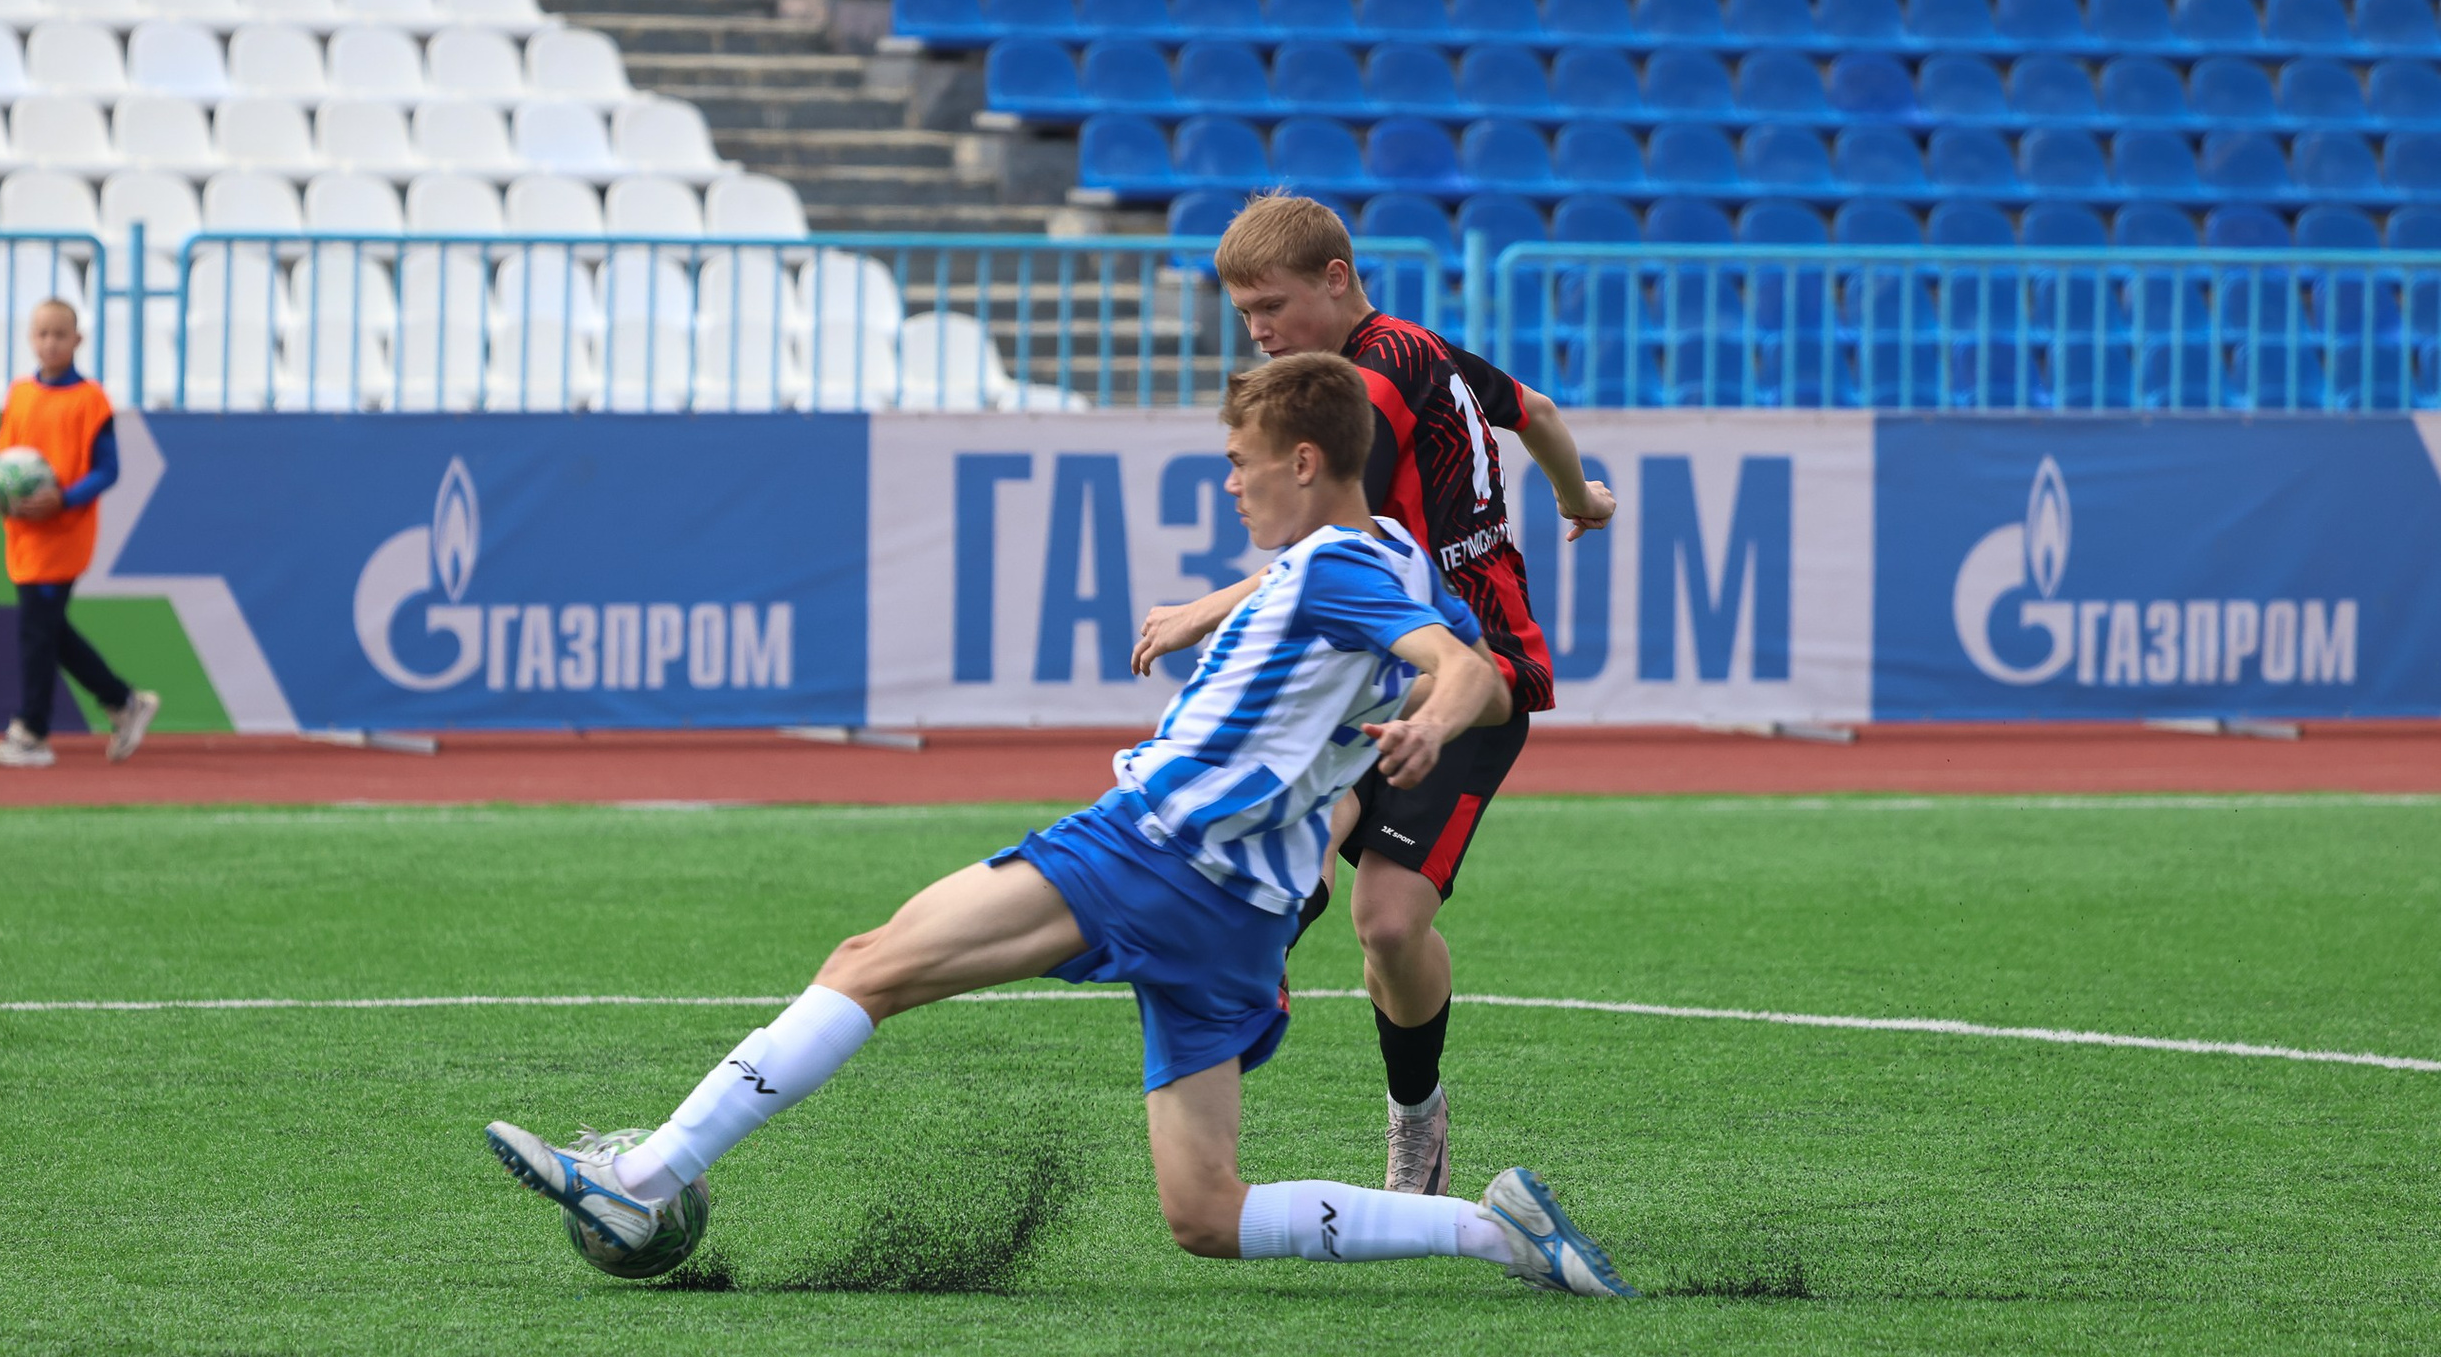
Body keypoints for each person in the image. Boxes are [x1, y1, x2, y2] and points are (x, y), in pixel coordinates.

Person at [485, 354, 1633, 1299]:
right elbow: (1480, 668)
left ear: (1302, 460)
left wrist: (1430, 714)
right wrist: (1439, 708)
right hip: (1240, 914)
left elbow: (1455, 670)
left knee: (867, 966)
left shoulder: (1339, 567)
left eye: (1238, 465)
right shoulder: (1390, 559)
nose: (1229, 486)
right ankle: (1495, 1235)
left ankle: (646, 1176)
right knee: (1205, 1213)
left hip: (1155, 853)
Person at [1131, 195, 1615, 1201]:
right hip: (1367, 672)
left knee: (1390, 925)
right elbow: (1542, 416)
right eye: (1244, 312)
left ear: (1337, 279)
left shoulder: (1378, 375)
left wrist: (1202, 611)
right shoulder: (1415, 355)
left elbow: (1338, 555)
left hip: (1473, 675)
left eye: (1273, 305)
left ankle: (1415, 1114)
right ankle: (1234, 1000)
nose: (1258, 330)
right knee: (1293, 854)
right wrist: (1579, 499)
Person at [0, 300, 160, 770]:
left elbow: (108, 470)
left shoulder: (90, 399)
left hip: (64, 532)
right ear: (29, 338)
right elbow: (5, 460)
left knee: (36, 632)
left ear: (77, 340)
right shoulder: (18, 394)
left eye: (60, 334)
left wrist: (64, 498)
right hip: (23, 532)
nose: (50, 342)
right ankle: (124, 701)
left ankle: (33, 731)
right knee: (49, 631)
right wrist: (3, 494)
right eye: (41, 333)